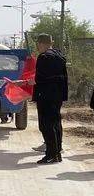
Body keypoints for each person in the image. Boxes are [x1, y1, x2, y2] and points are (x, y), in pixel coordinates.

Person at [31, 34, 68, 164]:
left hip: (45, 96)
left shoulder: (44, 57)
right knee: (56, 123)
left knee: (46, 125)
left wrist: (30, 82)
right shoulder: (59, 55)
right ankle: (57, 153)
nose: (37, 47)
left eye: (38, 44)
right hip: (57, 96)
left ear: (41, 43)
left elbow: (41, 79)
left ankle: (51, 154)